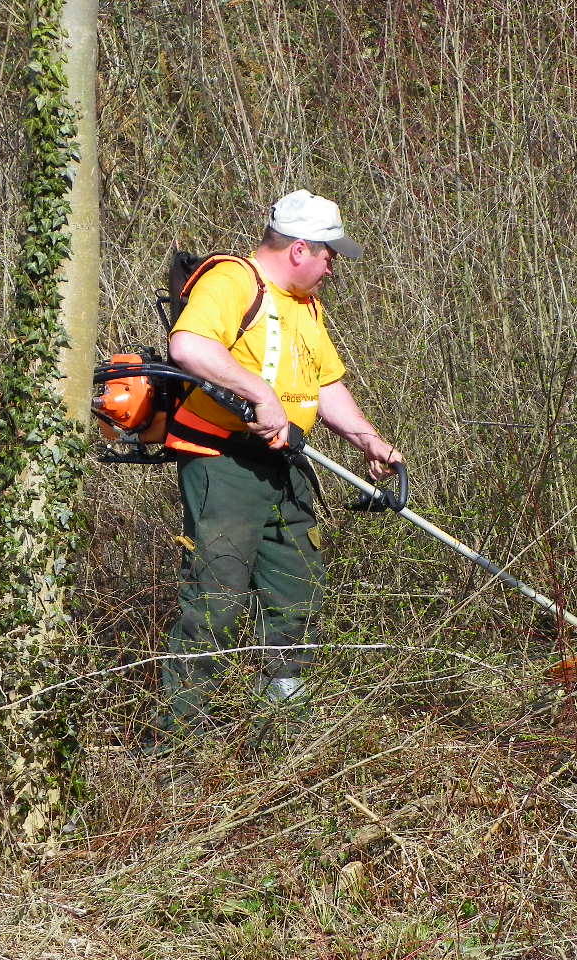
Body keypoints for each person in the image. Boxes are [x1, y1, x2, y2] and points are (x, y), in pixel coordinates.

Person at [153, 189, 402, 742]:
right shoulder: (233, 281)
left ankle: (284, 730)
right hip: (225, 465)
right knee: (216, 600)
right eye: (329, 256)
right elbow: (189, 346)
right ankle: (180, 741)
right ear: (299, 249)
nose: (332, 268)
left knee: (296, 592)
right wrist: (260, 394)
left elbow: (325, 384)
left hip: (285, 466)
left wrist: (369, 441)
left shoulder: (304, 306)